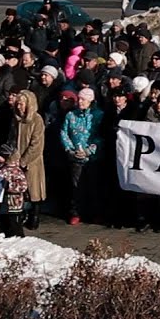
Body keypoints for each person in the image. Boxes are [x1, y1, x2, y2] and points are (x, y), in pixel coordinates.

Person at [61, 88, 102, 225]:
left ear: (90, 100)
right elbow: (64, 133)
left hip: (92, 157)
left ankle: (94, 212)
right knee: (76, 186)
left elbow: (100, 136)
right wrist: (70, 149)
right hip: (75, 156)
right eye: (79, 99)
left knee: (93, 185)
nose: (80, 102)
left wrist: (90, 150)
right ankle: (76, 212)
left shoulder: (97, 115)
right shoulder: (71, 115)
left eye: (83, 99)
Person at [9, 90, 46, 230]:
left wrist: (24, 161)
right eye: (17, 104)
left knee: (33, 190)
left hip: (32, 162)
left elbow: (36, 145)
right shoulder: (16, 120)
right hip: (16, 160)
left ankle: (34, 217)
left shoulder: (37, 120)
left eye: (22, 104)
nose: (19, 107)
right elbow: (12, 141)